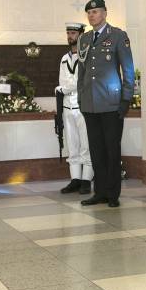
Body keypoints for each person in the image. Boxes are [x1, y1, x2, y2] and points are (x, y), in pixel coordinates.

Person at [77, 0, 135, 207]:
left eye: (95, 11)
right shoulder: (84, 39)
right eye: (89, 12)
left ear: (105, 13)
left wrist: (126, 98)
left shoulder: (118, 36)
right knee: (96, 150)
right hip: (90, 103)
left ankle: (113, 194)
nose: (92, 15)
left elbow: (128, 69)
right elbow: (82, 71)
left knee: (112, 149)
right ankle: (99, 191)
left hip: (111, 103)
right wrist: (80, 97)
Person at [56, 22, 93, 195]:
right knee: (72, 145)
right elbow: (63, 81)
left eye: (73, 33)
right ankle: (75, 179)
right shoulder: (64, 59)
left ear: (81, 35)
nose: (70, 36)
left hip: (83, 106)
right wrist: (65, 87)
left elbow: (81, 82)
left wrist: (64, 88)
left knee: (86, 144)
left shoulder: (86, 56)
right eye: (68, 33)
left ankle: (86, 179)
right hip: (67, 107)